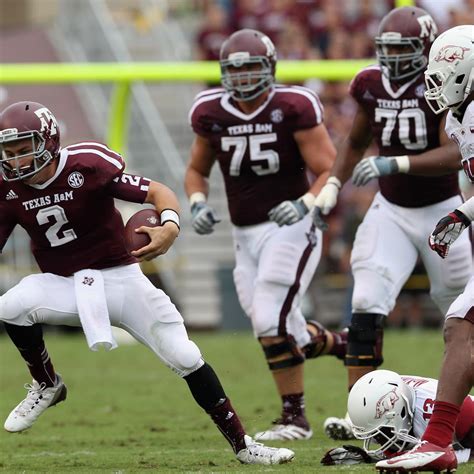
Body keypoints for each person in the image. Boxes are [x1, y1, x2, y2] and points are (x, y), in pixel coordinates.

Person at [0, 100, 295, 466]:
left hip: (120, 279)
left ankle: (243, 445)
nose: (15, 161)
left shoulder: (87, 165)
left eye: (23, 149)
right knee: (10, 306)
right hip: (62, 284)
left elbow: (158, 192)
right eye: (9, 152)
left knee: (185, 356)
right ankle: (47, 384)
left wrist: (170, 226)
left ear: (49, 142)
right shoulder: (6, 187)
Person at [312, 6, 473, 443]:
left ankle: (458, 412)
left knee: (461, 311)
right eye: (388, 50)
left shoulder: (446, 84)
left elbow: (454, 151)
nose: (393, 59)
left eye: (403, 51)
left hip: (443, 206)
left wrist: (396, 162)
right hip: (391, 209)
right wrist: (333, 184)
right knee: (366, 299)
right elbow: (356, 140)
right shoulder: (370, 82)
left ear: (425, 50)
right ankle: (359, 412)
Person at [185, 28, 347, 441]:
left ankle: (295, 418)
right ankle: (346, 345)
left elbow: (329, 169)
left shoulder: (292, 106)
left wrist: (305, 204)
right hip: (245, 234)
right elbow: (197, 170)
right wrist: (197, 202)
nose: (242, 78)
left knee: (269, 319)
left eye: (251, 68)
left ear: (270, 68)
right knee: (280, 327)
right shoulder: (210, 112)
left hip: (292, 226)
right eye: (234, 70)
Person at [376, 24, 474, 473]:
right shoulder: (458, 118)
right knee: (460, 325)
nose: (435, 86)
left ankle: (437, 442)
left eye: (443, 76)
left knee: (461, 324)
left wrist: (461, 215)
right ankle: (438, 442)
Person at [321, 370, 473, 467]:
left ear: (401, 411)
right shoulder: (395, 393)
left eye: (381, 434)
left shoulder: (445, 410)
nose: (378, 440)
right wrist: (369, 457)